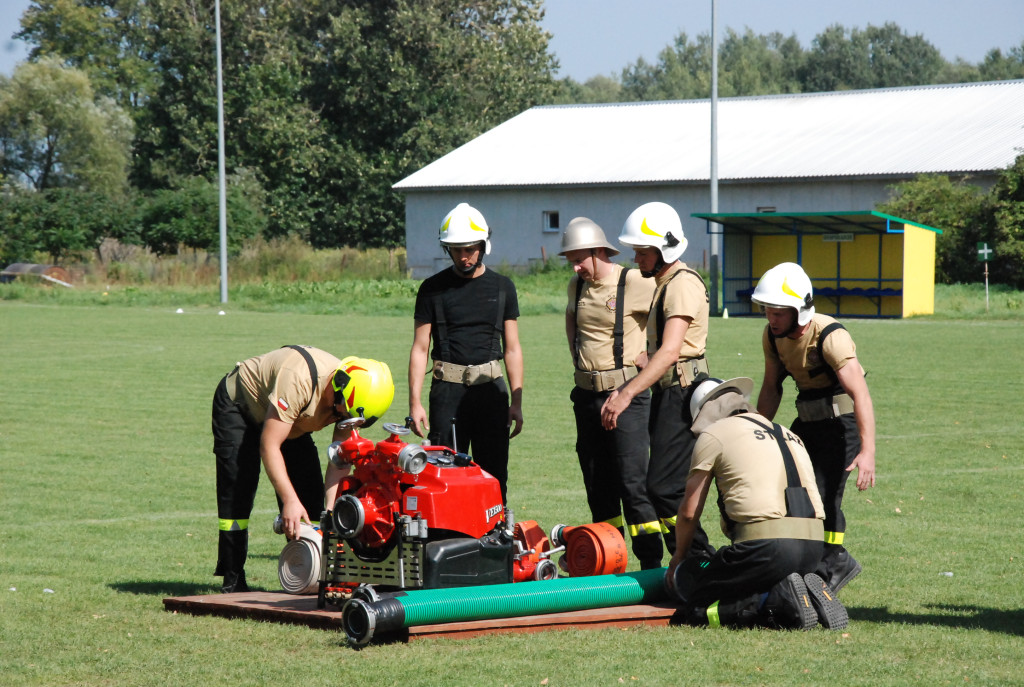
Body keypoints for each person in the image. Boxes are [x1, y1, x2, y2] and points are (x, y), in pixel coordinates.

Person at [666, 377, 848, 630]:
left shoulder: (714, 434)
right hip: (814, 549)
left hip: (767, 548)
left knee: (697, 605)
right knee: (756, 576)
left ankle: (775, 600)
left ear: (704, 413)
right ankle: (803, 593)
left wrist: (679, 557)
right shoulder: (785, 432)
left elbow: (688, 512)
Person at [212, 347, 394, 593]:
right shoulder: (298, 379)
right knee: (238, 490)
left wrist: (331, 510)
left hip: (292, 422)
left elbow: (338, 459)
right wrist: (288, 500)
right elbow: (269, 445)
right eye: (343, 411)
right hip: (241, 407)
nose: (342, 417)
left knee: (311, 504)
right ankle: (232, 579)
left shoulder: (349, 399)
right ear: (339, 387)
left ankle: (307, 576)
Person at [751, 262, 876, 593]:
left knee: (824, 495)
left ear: (799, 311)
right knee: (794, 490)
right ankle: (809, 560)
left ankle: (835, 561)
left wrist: (867, 451)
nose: (771, 318)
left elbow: (860, 394)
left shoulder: (831, 336)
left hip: (842, 425)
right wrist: (755, 431)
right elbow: (771, 388)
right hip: (806, 422)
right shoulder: (772, 337)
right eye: (767, 310)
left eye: (778, 312)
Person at [600, 201, 714, 561]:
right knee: (665, 488)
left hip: (683, 395)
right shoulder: (666, 283)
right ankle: (685, 561)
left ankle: (699, 561)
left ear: (664, 248)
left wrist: (625, 393)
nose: (636, 259)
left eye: (642, 251)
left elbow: (670, 352)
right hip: (671, 392)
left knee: (662, 487)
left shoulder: (681, 285)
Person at [560, 217, 662, 569]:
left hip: (626, 396)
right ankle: (611, 563)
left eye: (580, 259)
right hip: (586, 397)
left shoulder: (633, 281)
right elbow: (572, 318)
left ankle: (651, 566)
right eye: (571, 260)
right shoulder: (577, 285)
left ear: (599, 251)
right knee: (597, 484)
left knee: (632, 484)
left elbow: (675, 311)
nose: (575, 267)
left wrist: (653, 352)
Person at [408, 203, 524, 503]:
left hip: (491, 393)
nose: (463, 256)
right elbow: (421, 349)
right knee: (444, 475)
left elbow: (512, 349)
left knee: (495, 476)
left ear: (483, 245)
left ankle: (495, 542)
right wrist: (415, 403)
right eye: (456, 249)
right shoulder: (432, 289)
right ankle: (448, 543)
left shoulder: (503, 287)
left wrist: (517, 401)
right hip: (447, 393)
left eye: (470, 248)